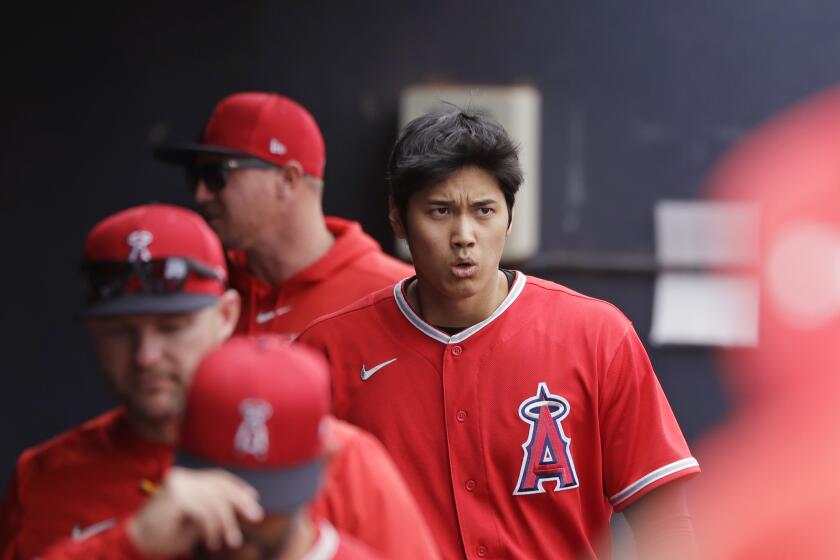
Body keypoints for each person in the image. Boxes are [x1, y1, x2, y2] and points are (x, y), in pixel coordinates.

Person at [298, 110, 700, 559]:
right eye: (440, 211)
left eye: (484, 210)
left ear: (509, 217)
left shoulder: (597, 335)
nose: (463, 235)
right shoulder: (327, 351)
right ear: (397, 218)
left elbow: (666, 521)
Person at [0, 204, 437, 560]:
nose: (146, 356)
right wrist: (129, 544)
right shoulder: (46, 476)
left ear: (226, 316)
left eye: (172, 328)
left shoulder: (334, 459)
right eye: (120, 331)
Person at [154, 92, 413, 338]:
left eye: (215, 176)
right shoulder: (197, 291)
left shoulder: (400, 295)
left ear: (287, 180)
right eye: (195, 178)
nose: (201, 195)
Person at [127, 336, 382, 559]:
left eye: (263, 505)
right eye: (218, 497)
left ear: (326, 466)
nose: (235, 531)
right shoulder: (139, 548)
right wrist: (132, 542)